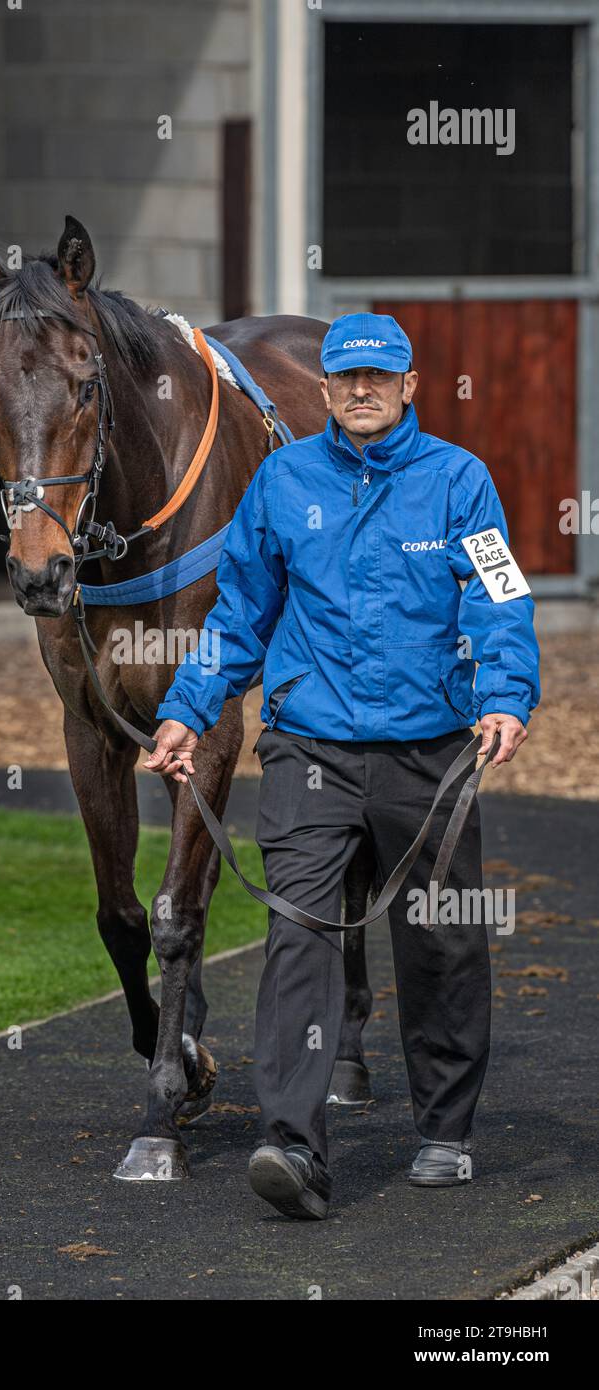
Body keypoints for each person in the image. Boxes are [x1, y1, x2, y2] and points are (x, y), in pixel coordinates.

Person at [144, 312, 541, 1221]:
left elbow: (499, 600)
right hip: (310, 749)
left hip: (430, 751)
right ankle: (292, 1144)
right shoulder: (282, 482)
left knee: (440, 937)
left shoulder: (460, 483)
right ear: (324, 391)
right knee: (299, 938)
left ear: (408, 388)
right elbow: (238, 614)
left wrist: (507, 695)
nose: (362, 392)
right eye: (346, 379)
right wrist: (184, 711)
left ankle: (444, 1131)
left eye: (379, 378)